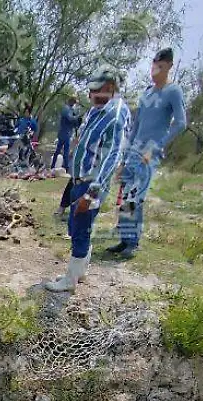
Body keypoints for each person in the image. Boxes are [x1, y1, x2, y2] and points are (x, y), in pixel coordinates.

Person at [43, 67, 130, 292]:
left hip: (92, 184)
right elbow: (84, 136)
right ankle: (80, 270)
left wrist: (91, 193)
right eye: (90, 92)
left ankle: (70, 280)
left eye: (97, 92)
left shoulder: (116, 115)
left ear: (111, 89)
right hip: (78, 178)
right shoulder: (96, 109)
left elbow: (112, 158)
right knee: (76, 226)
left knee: (80, 228)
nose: (92, 97)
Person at [106, 48, 187, 260]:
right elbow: (135, 127)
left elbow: (180, 123)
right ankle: (124, 239)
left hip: (149, 154)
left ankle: (133, 242)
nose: (155, 68)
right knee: (125, 196)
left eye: (160, 64)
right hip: (133, 152)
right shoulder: (147, 93)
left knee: (135, 196)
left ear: (169, 65)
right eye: (153, 63)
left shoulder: (173, 91)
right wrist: (123, 157)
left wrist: (156, 147)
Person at [52, 95, 81, 173]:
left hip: (68, 133)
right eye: (74, 103)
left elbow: (74, 122)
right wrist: (77, 117)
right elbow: (70, 118)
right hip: (64, 133)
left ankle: (64, 167)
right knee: (61, 151)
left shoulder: (71, 109)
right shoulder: (66, 109)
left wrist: (77, 120)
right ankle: (61, 167)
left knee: (64, 151)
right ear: (71, 102)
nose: (75, 104)